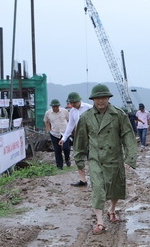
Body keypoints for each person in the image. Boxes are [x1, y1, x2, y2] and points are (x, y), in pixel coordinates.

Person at [73, 84, 138, 233]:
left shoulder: (119, 115)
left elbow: (128, 136)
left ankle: (112, 209)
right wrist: (79, 159)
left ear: (108, 98)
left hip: (114, 158)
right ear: (93, 100)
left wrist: (130, 158)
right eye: (97, 98)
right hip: (96, 159)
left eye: (103, 98)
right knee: (98, 189)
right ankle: (100, 222)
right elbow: (80, 140)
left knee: (115, 187)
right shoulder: (86, 117)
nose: (100, 101)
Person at [60, 92, 92, 183]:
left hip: (91, 134)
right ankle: (82, 179)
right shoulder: (72, 111)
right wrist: (64, 138)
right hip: (80, 135)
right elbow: (70, 125)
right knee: (78, 156)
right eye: (71, 103)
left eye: (74, 102)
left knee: (92, 156)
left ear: (79, 101)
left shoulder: (89, 107)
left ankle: (95, 177)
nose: (73, 105)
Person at [43, 99, 69, 169]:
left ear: (59, 106)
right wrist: (49, 130)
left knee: (66, 148)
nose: (55, 108)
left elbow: (69, 119)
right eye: (53, 107)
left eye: (56, 106)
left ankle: (67, 159)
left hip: (64, 133)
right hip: (54, 133)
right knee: (57, 150)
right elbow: (46, 121)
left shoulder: (64, 111)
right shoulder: (48, 113)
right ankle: (59, 166)